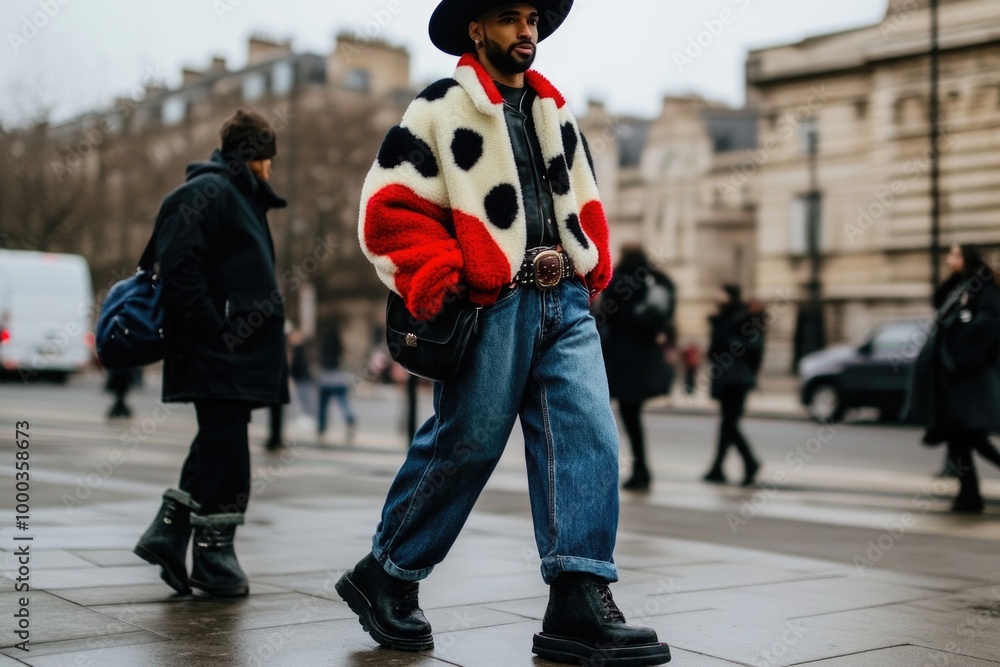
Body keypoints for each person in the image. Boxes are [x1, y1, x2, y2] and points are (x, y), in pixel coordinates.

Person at [337, 3, 671, 665]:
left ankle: (579, 597)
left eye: (533, 19)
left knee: (589, 435)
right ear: (477, 29)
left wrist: (594, 266)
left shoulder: (557, 112)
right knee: (468, 441)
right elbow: (387, 209)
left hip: (567, 300)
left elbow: (586, 200)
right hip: (493, 300)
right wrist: (446, 273)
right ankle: (387, 574)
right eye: (510, 18)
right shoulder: (438, 107)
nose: (526, 31)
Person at [132, 109, 289, 597]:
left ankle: (168, 534)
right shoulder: (209, 192)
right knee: (227, 453)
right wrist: (216, 329)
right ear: (255, 156)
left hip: (234, 350)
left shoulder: (238, 196)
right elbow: (178, 266)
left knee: (217, 443)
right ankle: (214, 557)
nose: (270, 168)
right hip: (218, 349)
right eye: (267, 158)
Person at [905, 244, 1000, 513]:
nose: (949, 260)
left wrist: (961, 356)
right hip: (953, 380)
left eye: (955, 255)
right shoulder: (961, 288)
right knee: (961, 439)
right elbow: (941, 307)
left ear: (967, 258)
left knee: (967, 438)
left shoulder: (982, 289)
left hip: (968, 380)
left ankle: (969, 497)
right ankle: (969, 496)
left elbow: (987, 326)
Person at [600, 244, 676, 491]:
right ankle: (641, 469)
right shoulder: (651, 282)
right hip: (643, 360)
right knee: (633, 418)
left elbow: (604, 318)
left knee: (615, 417)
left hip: (619, 359)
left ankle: (635, 470)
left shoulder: (617, 282)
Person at [703, 284, 763, 487]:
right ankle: (720, 467)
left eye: (722, 294)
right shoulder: (724, 318)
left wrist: (730, 342)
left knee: (729, 424)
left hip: (736, 378)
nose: (718, 297)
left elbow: (754, 347)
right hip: (727, 377)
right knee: (728, 424)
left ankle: (748, 462)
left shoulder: (741, 318)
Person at [316, 323, 357, 444]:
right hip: (337, 377)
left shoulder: (324, 344)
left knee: (323, 405)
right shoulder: (338, 344)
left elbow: (320, 359)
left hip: (325, 377)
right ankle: (349, 418)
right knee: (343, 402)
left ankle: (321, 428)